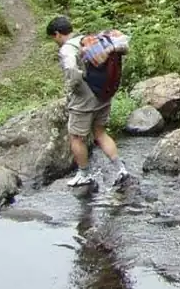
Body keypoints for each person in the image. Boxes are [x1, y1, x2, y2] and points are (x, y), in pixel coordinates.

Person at [46, 16, 129, 187]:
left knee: (76, 137)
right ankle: (121, 169)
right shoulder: (87, 40)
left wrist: (72, 89)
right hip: (103, 94)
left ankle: (84, 174)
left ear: (57, 34)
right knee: (100, 133)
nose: (54, 41)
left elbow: (71, 71)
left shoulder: (67, 49)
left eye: (53, 38)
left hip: (84, 99)